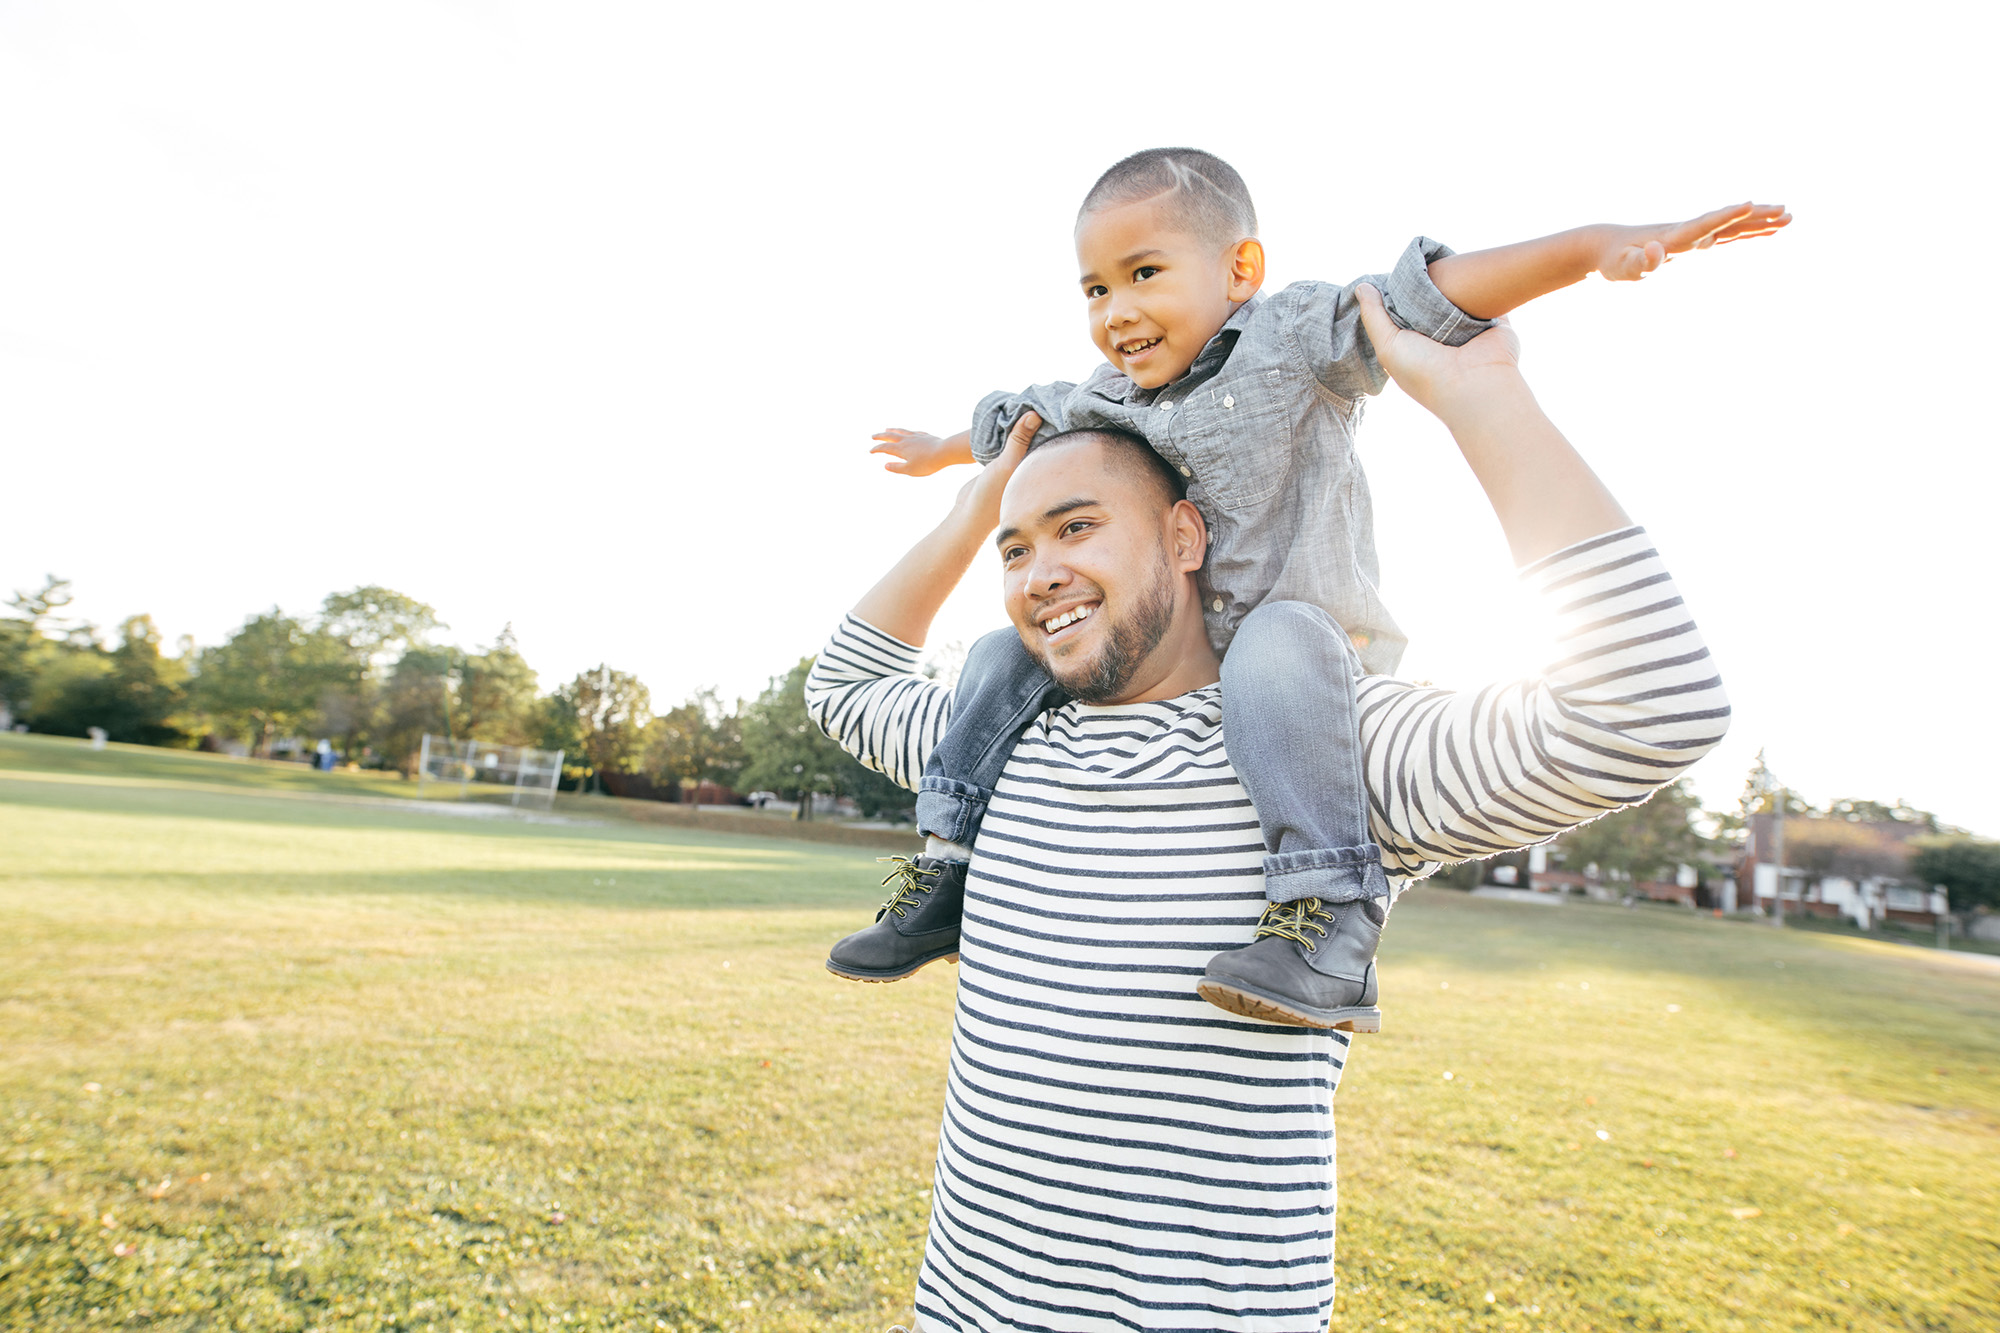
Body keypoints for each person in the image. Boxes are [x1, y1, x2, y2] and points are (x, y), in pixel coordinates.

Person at [805, 287, 1729, 1331]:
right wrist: (978, 504)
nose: (1038, 573)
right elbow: (843, 684)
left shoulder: (1322, 752)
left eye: (1076, 527)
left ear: (1186, 536)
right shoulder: (997, 746)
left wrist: (1485, 402)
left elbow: (1649, 708)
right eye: (1015, 552)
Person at [825, 147, 1783, 1032]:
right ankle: (950, 864)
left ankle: (1327, 911)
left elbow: (1429, 294)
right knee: (997, 653)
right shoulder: (1105, 400)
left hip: (1305, 665)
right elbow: (1017, 422)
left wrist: (1588, 249)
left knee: (1279, 640)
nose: (1115, 309)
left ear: (1241, 269)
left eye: (1144, 273)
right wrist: (950, 479)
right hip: (1206, 669)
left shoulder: (1290, 339)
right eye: (1094, 287)